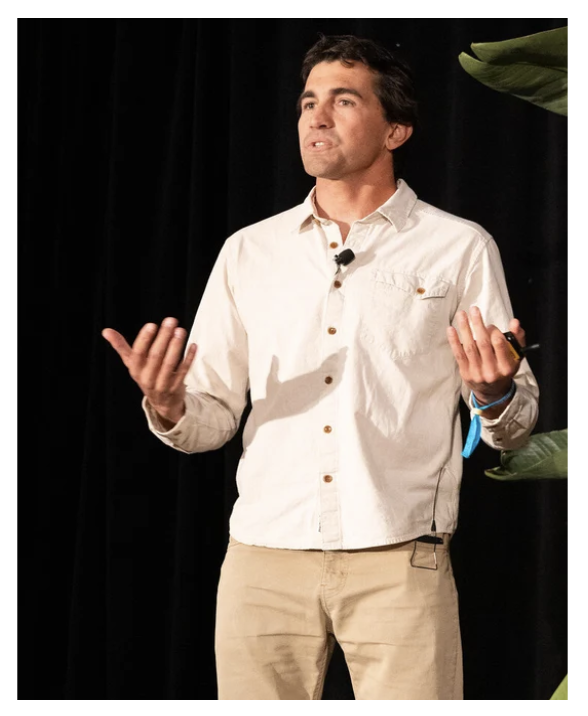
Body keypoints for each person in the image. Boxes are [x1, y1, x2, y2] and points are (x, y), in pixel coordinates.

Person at [99, 35, 538, 699]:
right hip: (262, 560)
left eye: (342, 100)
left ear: (396, 129)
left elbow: (515, 426)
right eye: (308, 102)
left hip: (398, 557)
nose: (316, 117)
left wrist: (495, 392)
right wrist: (168, 405)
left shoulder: (457, 248)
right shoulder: (249, 251)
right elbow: (211, 419)